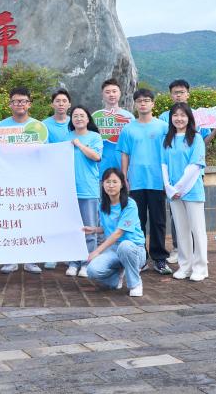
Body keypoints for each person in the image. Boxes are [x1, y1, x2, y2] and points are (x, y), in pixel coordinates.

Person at [119, 89, 172, 274]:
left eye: (147, 100)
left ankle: (160, 259)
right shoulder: (128, 129)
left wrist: (168, 178)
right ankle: (140, 259)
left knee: (158, 221)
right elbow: (125, 154)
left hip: (157, 181)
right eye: (139, 101)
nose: (143, 103)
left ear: (153, 104)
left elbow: (169, 152)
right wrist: (124, 176)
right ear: (135, 104)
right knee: (137, 222)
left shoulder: (163, 127)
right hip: (136, 181)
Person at [0, 87, 42, 274]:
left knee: (32, 220)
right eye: (16, 101)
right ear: (10, 104)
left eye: (23, 101)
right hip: (8, 180)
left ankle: (31, 260)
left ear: (29, 104)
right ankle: (10, 259)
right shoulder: (0, 127)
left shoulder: (38, 127)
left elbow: (47, 152)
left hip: (31, 180)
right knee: (9, 221)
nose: (19, 104)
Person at [161, 102, 208, 281]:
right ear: (170, 118)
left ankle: (200, 268)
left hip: (192, 191)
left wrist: (179, 188)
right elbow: (163, 165)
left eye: (183, 115)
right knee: (181, 231)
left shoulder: (196, 138)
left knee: (197, 230)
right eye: (175, 115)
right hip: (173, 193)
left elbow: (195, 166)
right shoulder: (167, 139)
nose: (179, 119)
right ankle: (185, 266)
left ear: (189, 118)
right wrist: (169, 188)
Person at [84, 167, 147, 297]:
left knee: (125, 246)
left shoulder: (130, 204)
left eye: (114, 182)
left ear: (122, 184)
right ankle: (118, 275)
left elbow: (118, 233)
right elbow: (108, 228)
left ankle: (135, 284)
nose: (111, 185)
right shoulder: (103, 205)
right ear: (103, 184)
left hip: (134, 249)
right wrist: (94, 229)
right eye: (107, 182)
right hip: (113, 250)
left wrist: (97, 251)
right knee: (91, 270)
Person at [64, 105, 103, 277]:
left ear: (88, 119)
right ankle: (73, 262)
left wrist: (79, 144)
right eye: (75, 116)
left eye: (82, 115)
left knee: (89, 229)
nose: (78, 118)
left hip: (88, 189)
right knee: (73, 229)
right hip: (69, 190)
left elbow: (96, 157)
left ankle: (87, 263)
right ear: (71, 120)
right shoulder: (67, 137)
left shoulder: (94, 137)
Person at [40, 88, 74, 269]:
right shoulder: (43, 125)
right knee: (52, 215)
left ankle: (69, 253)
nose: (61, 104)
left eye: (64, 101)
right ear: (52, 104)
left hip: (74, 175)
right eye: (57, 101)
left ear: (69, 104)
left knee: (71, 215)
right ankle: (51, 253)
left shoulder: (76, 121)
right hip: (52, 176)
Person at [96, 78, 135, 178]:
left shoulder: (129, 117)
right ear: (102, 94)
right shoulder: (96, 117)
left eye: (114, 91)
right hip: (100, 169)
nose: (111, 94)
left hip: (124, 170)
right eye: (107, 92)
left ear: (120, 93)